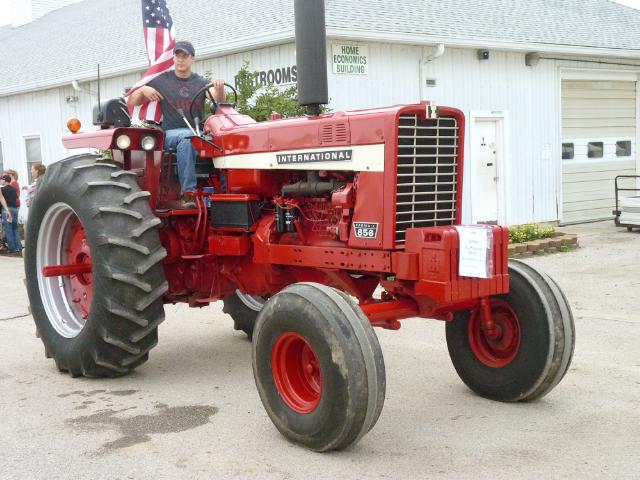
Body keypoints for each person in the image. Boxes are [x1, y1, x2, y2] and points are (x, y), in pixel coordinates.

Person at [127, 41, 225, 208]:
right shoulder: (162, 81)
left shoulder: (201, 82)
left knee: (224, 140)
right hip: (171, 134)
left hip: (197, 132)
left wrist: (220, 88)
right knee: (188, 139)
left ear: (192, 59)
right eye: (177, 56)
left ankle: (226, 193)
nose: (180, 60)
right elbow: (132, 101)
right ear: (173, 58)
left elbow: (219, 101)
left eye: (184, 56)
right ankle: (188, 194)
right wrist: (143, 90)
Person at [0, 175, 20, 256]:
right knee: (15, 228)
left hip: (7, 210)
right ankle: (18, 247)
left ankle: (12, 248)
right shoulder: (12, 188)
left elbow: (1, 199)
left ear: (4, 180)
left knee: (8, 229)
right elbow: (16, 198)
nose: (1, 181)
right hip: (15, 209)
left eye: (1, 179)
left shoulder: (2, 189)